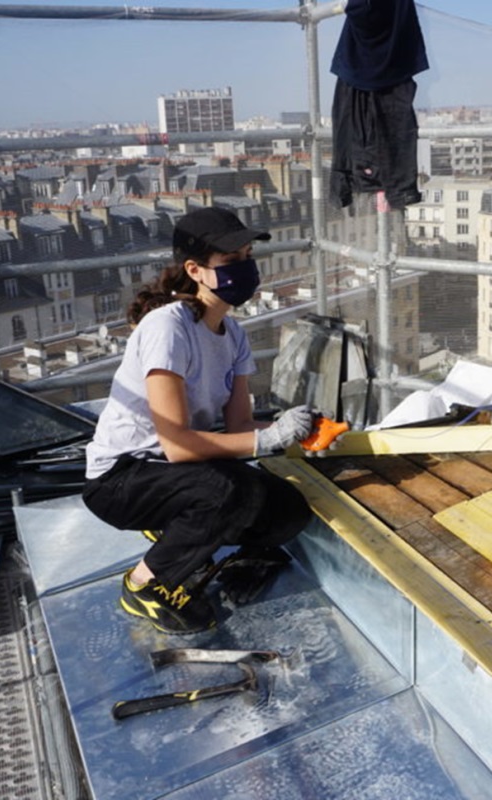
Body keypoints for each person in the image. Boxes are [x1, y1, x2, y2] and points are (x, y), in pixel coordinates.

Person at [83, 207, 315, 635]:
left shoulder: (234, 335)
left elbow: (241, 426)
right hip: (124, 478)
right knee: (229, 489)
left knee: (289, 511)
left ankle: (185, 536)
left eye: (248, 254)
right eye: (232, 260)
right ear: (195, 270)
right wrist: (268, 442)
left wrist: (300, 430)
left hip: (179, 473)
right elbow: (177, 445)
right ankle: (144, 586)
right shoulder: (167, 328)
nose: (246, 266)